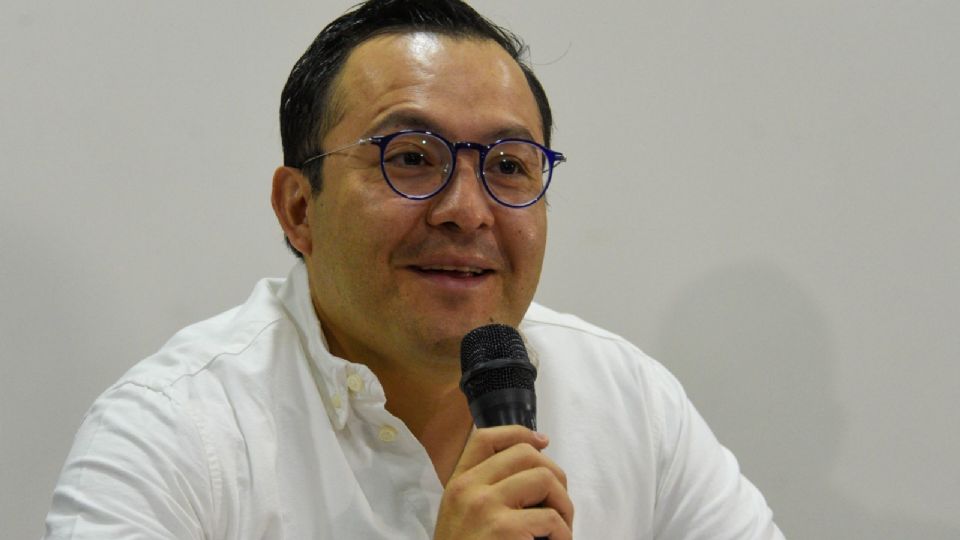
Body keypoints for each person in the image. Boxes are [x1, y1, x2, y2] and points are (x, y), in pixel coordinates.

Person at [44, 1, 785, 538]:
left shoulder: (629, 402)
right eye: (410, 158)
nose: (467, 210)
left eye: (509, 166)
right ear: (299, 209)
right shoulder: (173, 432)